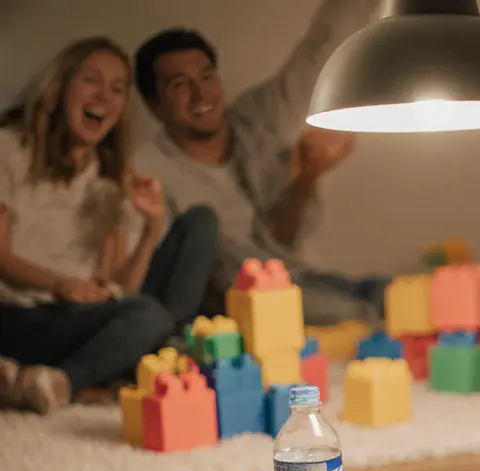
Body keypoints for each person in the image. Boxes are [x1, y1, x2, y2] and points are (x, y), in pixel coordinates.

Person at [131, 0, 387, 326]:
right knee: (358, 316)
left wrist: (308, 175)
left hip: (304, 278)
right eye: (180, 85)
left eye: (207, 77)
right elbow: (181, 281)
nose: (200, 94)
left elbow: (318, 53)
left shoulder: (254, 120)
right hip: (238, 309)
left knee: (391, 294)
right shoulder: (146, 172)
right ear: (155, 105)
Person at [0, 37, 217, 414]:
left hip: (83, 318)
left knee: (201, 223)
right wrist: (62, 284)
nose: (105, 96)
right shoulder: (10, 149)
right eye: (91, 80)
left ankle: (140, 361)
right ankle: (66, 381)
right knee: (147, 316)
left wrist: (151, 228)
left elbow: (121, 287)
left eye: (118, 89)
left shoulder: (109, 177)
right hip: (22, 313)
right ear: (62, 85)